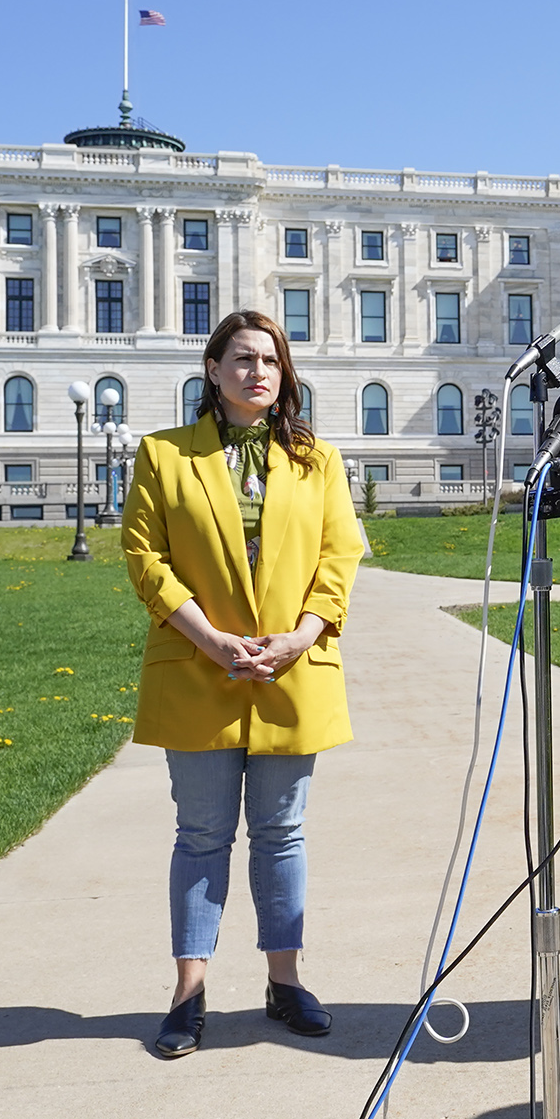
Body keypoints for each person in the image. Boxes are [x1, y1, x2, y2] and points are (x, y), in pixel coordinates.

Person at [122, 310, 363, 1059]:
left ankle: (285, 982)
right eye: (242, 358)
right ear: (213, 369)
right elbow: (146, 557)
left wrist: (298, 638)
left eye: (271, 360)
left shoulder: (317, 457)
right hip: (199, 668)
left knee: (280, 832)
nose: (259, 371)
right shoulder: (163, 455)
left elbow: (338, 556)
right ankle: (188, 994)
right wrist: (213, 639)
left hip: (292, 671)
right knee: (201, 836)